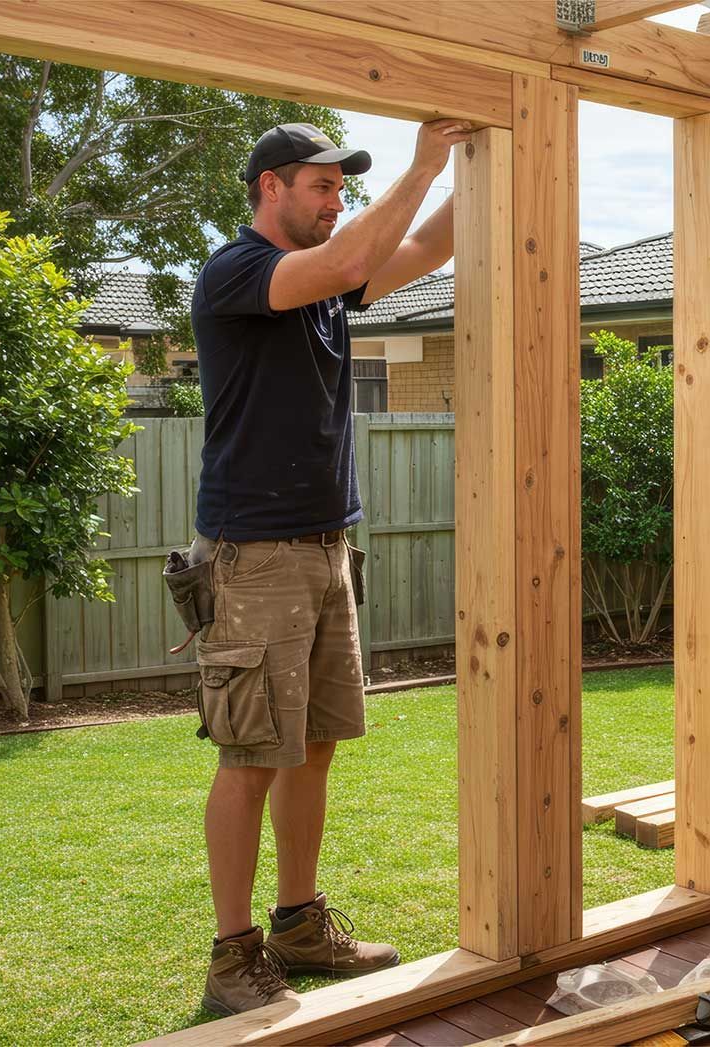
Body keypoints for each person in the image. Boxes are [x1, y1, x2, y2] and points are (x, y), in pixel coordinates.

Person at [185, 118, 472, 1016]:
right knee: (250, 755)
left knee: (312, 747)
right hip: (254, 553)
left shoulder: (320, 291)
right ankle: (234, 954)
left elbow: (422, 245)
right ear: (270, 186)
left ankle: (298, 923)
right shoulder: (236, 274)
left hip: (324, 546)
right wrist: (422, 160)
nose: (336, 199)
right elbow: (352, 262)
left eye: (342, 189)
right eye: (321, 186)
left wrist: (493, 161)